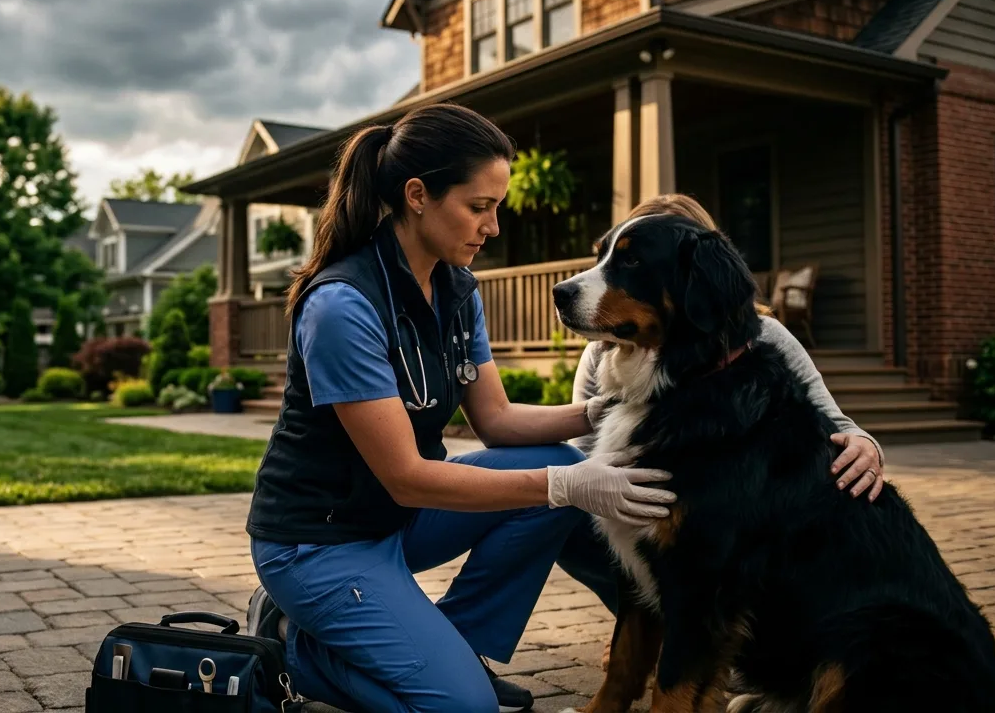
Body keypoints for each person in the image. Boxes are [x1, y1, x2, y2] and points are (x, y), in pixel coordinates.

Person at [243, 103, 674, 713]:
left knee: (559, 463)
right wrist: (565, 486)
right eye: (479, 207)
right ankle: (291, 644)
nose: (492, 227)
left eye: (496, 207)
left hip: (395, 521)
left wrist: (606, 412)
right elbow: (406, 475)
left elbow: (497, 421)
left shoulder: (456, 288)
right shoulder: (342, 305)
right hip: (321, 543)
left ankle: (461, 646)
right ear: (417, 196)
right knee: (464, 708)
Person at [556, 192, 887, 671]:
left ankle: (701, 642)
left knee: (703, 556)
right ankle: (661, 632)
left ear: (696, 281)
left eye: (632, 261)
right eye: (606, 256)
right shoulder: (606, 347)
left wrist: (865, 444)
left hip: (743, 560)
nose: (588, 280)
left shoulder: (760, 337)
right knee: (566, 505)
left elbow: (830, 420)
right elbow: (585, 454)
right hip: (630, 521)